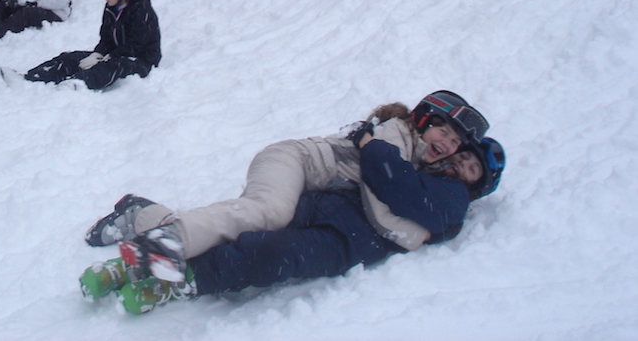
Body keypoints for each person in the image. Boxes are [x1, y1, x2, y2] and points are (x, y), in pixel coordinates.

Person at [107, 134, 506, 314]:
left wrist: (373, 146)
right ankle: (159, 245)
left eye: (472, 169)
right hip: (328, 204)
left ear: (477, 187)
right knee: (253, 224)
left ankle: (184, 275)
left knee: (271, 253)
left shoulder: (453, 201)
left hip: (345, 242)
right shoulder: (423, 166)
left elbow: (398, 188)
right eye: (463, 156)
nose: (460, 164)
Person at [84, 91, 488, 260]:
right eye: (444, 133)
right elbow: (384, 210)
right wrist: (422, 235)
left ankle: (146, 215)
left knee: (252, 233)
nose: (447, 145)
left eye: (455, 143)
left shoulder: (412, 159)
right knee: (269, 213)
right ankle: (170, 240)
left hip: (310, 187)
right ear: (424, 120)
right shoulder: (394, 136)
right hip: (294, 161)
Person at [1, 0, 161, 91]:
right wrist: (98, 54)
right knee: (72, 58)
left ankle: (77, 84)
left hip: (140, 61)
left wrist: (107, 57)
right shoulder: (111, 9)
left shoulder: (142, 10)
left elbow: (135, 46)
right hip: (114, 55)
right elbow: (106, 38)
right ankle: (31, 78)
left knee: (112, 66)